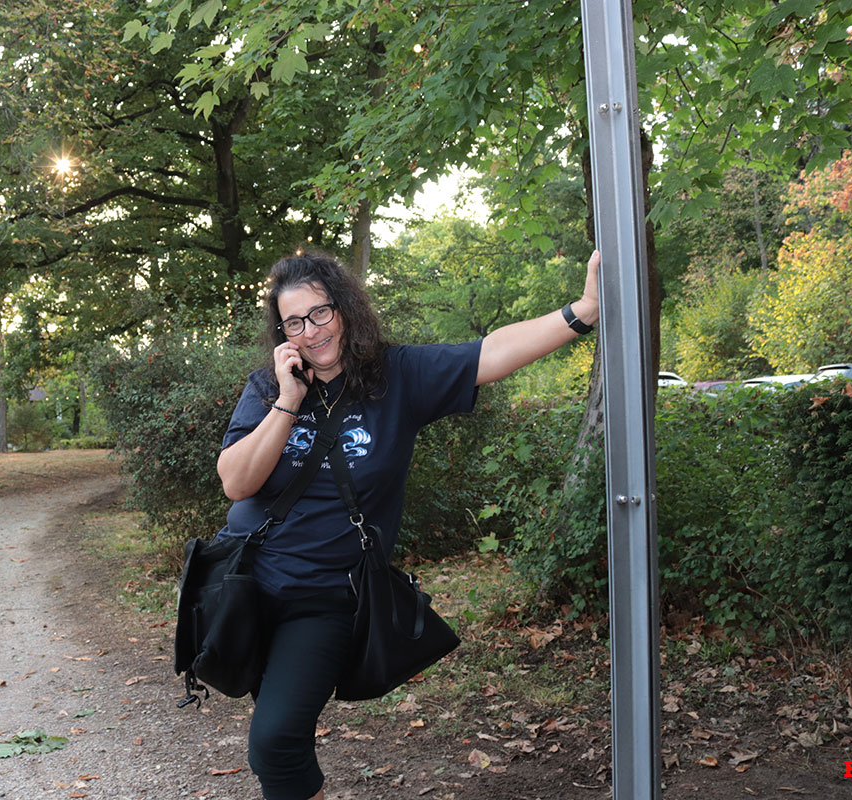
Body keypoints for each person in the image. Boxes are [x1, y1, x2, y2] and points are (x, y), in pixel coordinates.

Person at [214, 249, 601, 800]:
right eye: (293, 322)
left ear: (345, 309)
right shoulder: (267, 387)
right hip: (248, 588)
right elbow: (236, 482)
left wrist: (583, 311)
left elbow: (490, 353)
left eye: (320, 313)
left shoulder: (397, 377)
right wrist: (288, 400)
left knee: (274, 741)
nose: (310, 331)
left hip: (323, 599)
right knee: (280, 745)